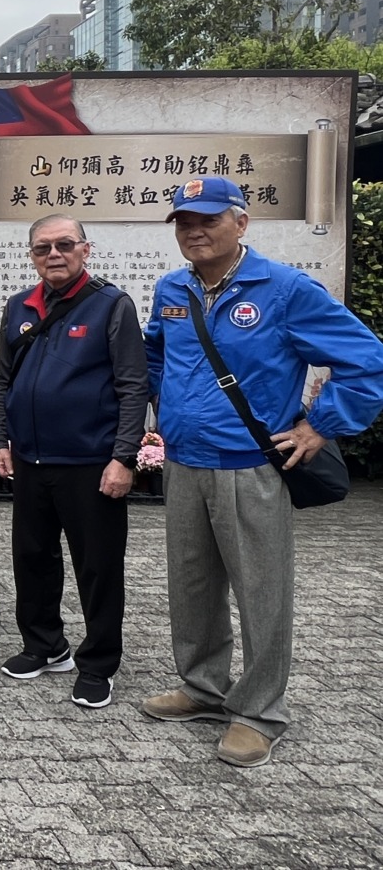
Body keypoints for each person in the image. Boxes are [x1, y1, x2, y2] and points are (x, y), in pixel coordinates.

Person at [142, 176, 383, 767]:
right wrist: (166, 406)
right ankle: (202, 689)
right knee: (191, 587)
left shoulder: (284, 289)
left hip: (249, 466)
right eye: (182, 220)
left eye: (207, 218)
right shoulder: (172, 288)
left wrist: (320, 424)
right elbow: (154, 351)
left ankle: (259, 712)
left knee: (261, 593)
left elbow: (367, 359)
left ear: (241, 222)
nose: (193, 229)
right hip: (184, 463)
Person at [0, 216, 148, 709]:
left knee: (97, 567)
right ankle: (45, 645)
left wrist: (123, 457)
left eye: (64, 245)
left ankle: (99, 664)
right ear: (32, 256)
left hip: (89, 462)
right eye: (42, 248)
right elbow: (3, 380)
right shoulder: (20, 306)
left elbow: (132, 385)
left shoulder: (111, 304)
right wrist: (1, 438)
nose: (53, 254)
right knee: (32, 559)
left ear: (85, 249)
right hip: (31, 460)